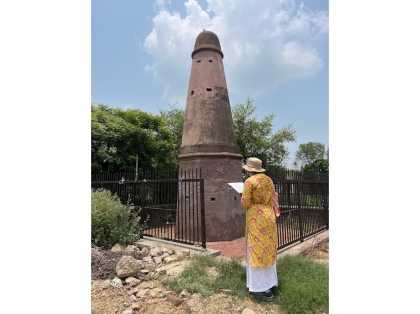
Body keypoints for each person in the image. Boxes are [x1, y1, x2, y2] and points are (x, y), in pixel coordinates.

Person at [240, 157, 278, 301]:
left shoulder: (249, 182)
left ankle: (261, 288)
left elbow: (245, 203)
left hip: (256, 217)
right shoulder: (268, 180)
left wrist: (241, 195)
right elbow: (272, 197)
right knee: (267, 247)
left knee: (256, 249)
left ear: (249, 170)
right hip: (268, 215)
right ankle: (270, 282)